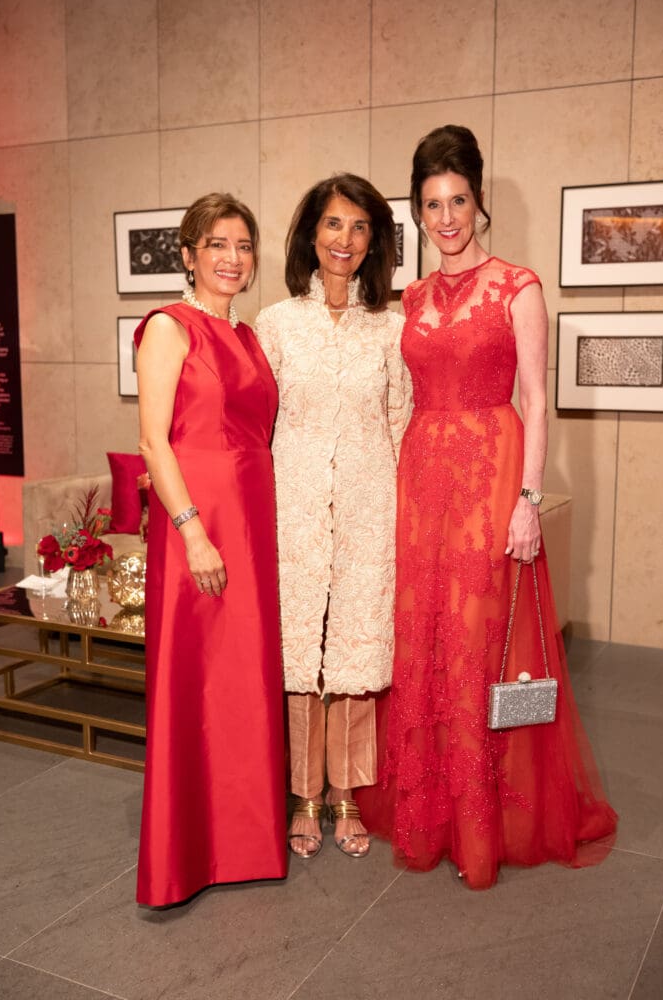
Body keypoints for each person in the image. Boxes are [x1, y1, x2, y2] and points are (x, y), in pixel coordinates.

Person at [358, 126, 617, 888]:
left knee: (478, 639)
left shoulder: (517, 286)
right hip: (421, 481)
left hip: (490, 474)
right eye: (432, 204)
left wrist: (528, 500)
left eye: (459, 201)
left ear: (479, 201)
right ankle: (431, 812)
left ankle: (482, 823)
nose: (446, 218)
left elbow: (536, 401)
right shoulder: (409, 297)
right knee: (425, 639)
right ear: (417, 210)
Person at [134, 193, 287, 906]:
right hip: (197, 520)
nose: (232, 257)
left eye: (243, 245)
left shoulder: (248, 335)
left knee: (241, 681)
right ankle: (186, 854)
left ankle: (245, 842)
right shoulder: (170, 327)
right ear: (189, 254)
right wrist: (193, 530)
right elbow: (152, 442)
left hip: (251, 519)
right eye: (217, 244)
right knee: (196, 682)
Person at [255, 174, 412, 858]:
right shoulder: (276, 323)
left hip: (369, 508)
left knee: (355, 651)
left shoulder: (393, 328)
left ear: (374, 241)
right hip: (292, 508)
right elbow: (257, 423)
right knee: (299, 654)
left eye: (359, 226)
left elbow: (401, 420)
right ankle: (304, 796)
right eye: (333, 224)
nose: (344, 239)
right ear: (310, 235)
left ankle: (347, 796)